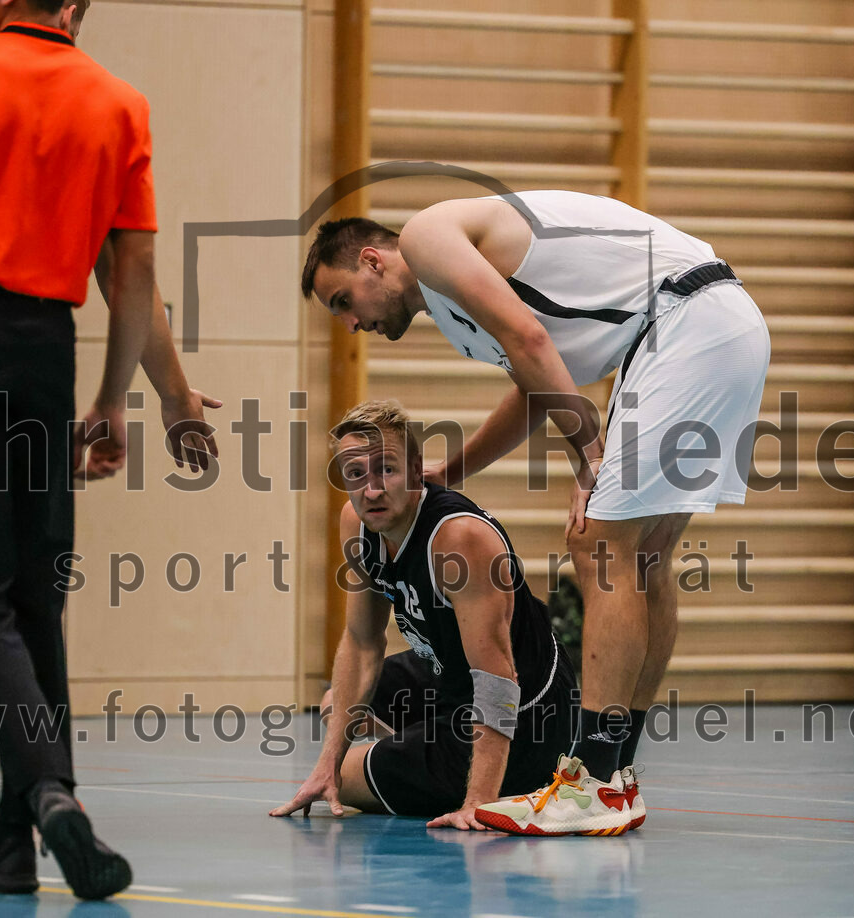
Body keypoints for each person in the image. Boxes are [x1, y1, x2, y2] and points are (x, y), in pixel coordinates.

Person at [300, 191, 770, 835]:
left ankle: (595, 779)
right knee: (643, 555)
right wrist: (451, 472)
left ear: (374, 261)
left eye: (342, 301)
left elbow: (529, 337)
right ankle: (616, 778)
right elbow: (534, 380)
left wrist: (589, 454)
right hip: (701, 327)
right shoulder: (453, 309)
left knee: (598, 542)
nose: (350, 324)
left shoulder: (427, 237)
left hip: (688, 324)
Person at [0, 1, 221, 830]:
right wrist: (146, 399)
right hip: (44, 347)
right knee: (22, 590)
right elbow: (129, 266)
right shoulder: (109, 96)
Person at [270, 400, 579, 829]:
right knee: (337, 707)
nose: (371, 490)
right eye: (355, 474)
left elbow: (497, 680)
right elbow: (361, 644)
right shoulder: (357, 525)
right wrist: (324, 766)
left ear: (418, 470)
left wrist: (479, 804)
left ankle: (479, 771)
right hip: (448, 678)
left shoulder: (458, 539)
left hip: (529, 715)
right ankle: (426, 751)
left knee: (351, 774)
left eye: (387, 470)